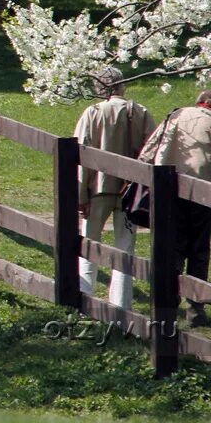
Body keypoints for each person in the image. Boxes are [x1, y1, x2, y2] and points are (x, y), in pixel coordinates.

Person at [75, 67, 154, 310]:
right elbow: (152, 150)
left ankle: (83, 297)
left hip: (98, 188)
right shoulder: (139, 111)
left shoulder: (92, 113)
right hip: (130, 192)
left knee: (89, 242)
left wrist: (80, 196)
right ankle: (121, 304)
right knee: (125, 247)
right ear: (122, 84)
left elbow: (81, 155)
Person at [138, 89, 211, 327]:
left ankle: (168, 301)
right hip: (202, 193)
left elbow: (149, 151)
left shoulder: (176, 115)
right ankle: (195, 308)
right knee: (199, 248)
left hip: (168, 188)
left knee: (174, 246)